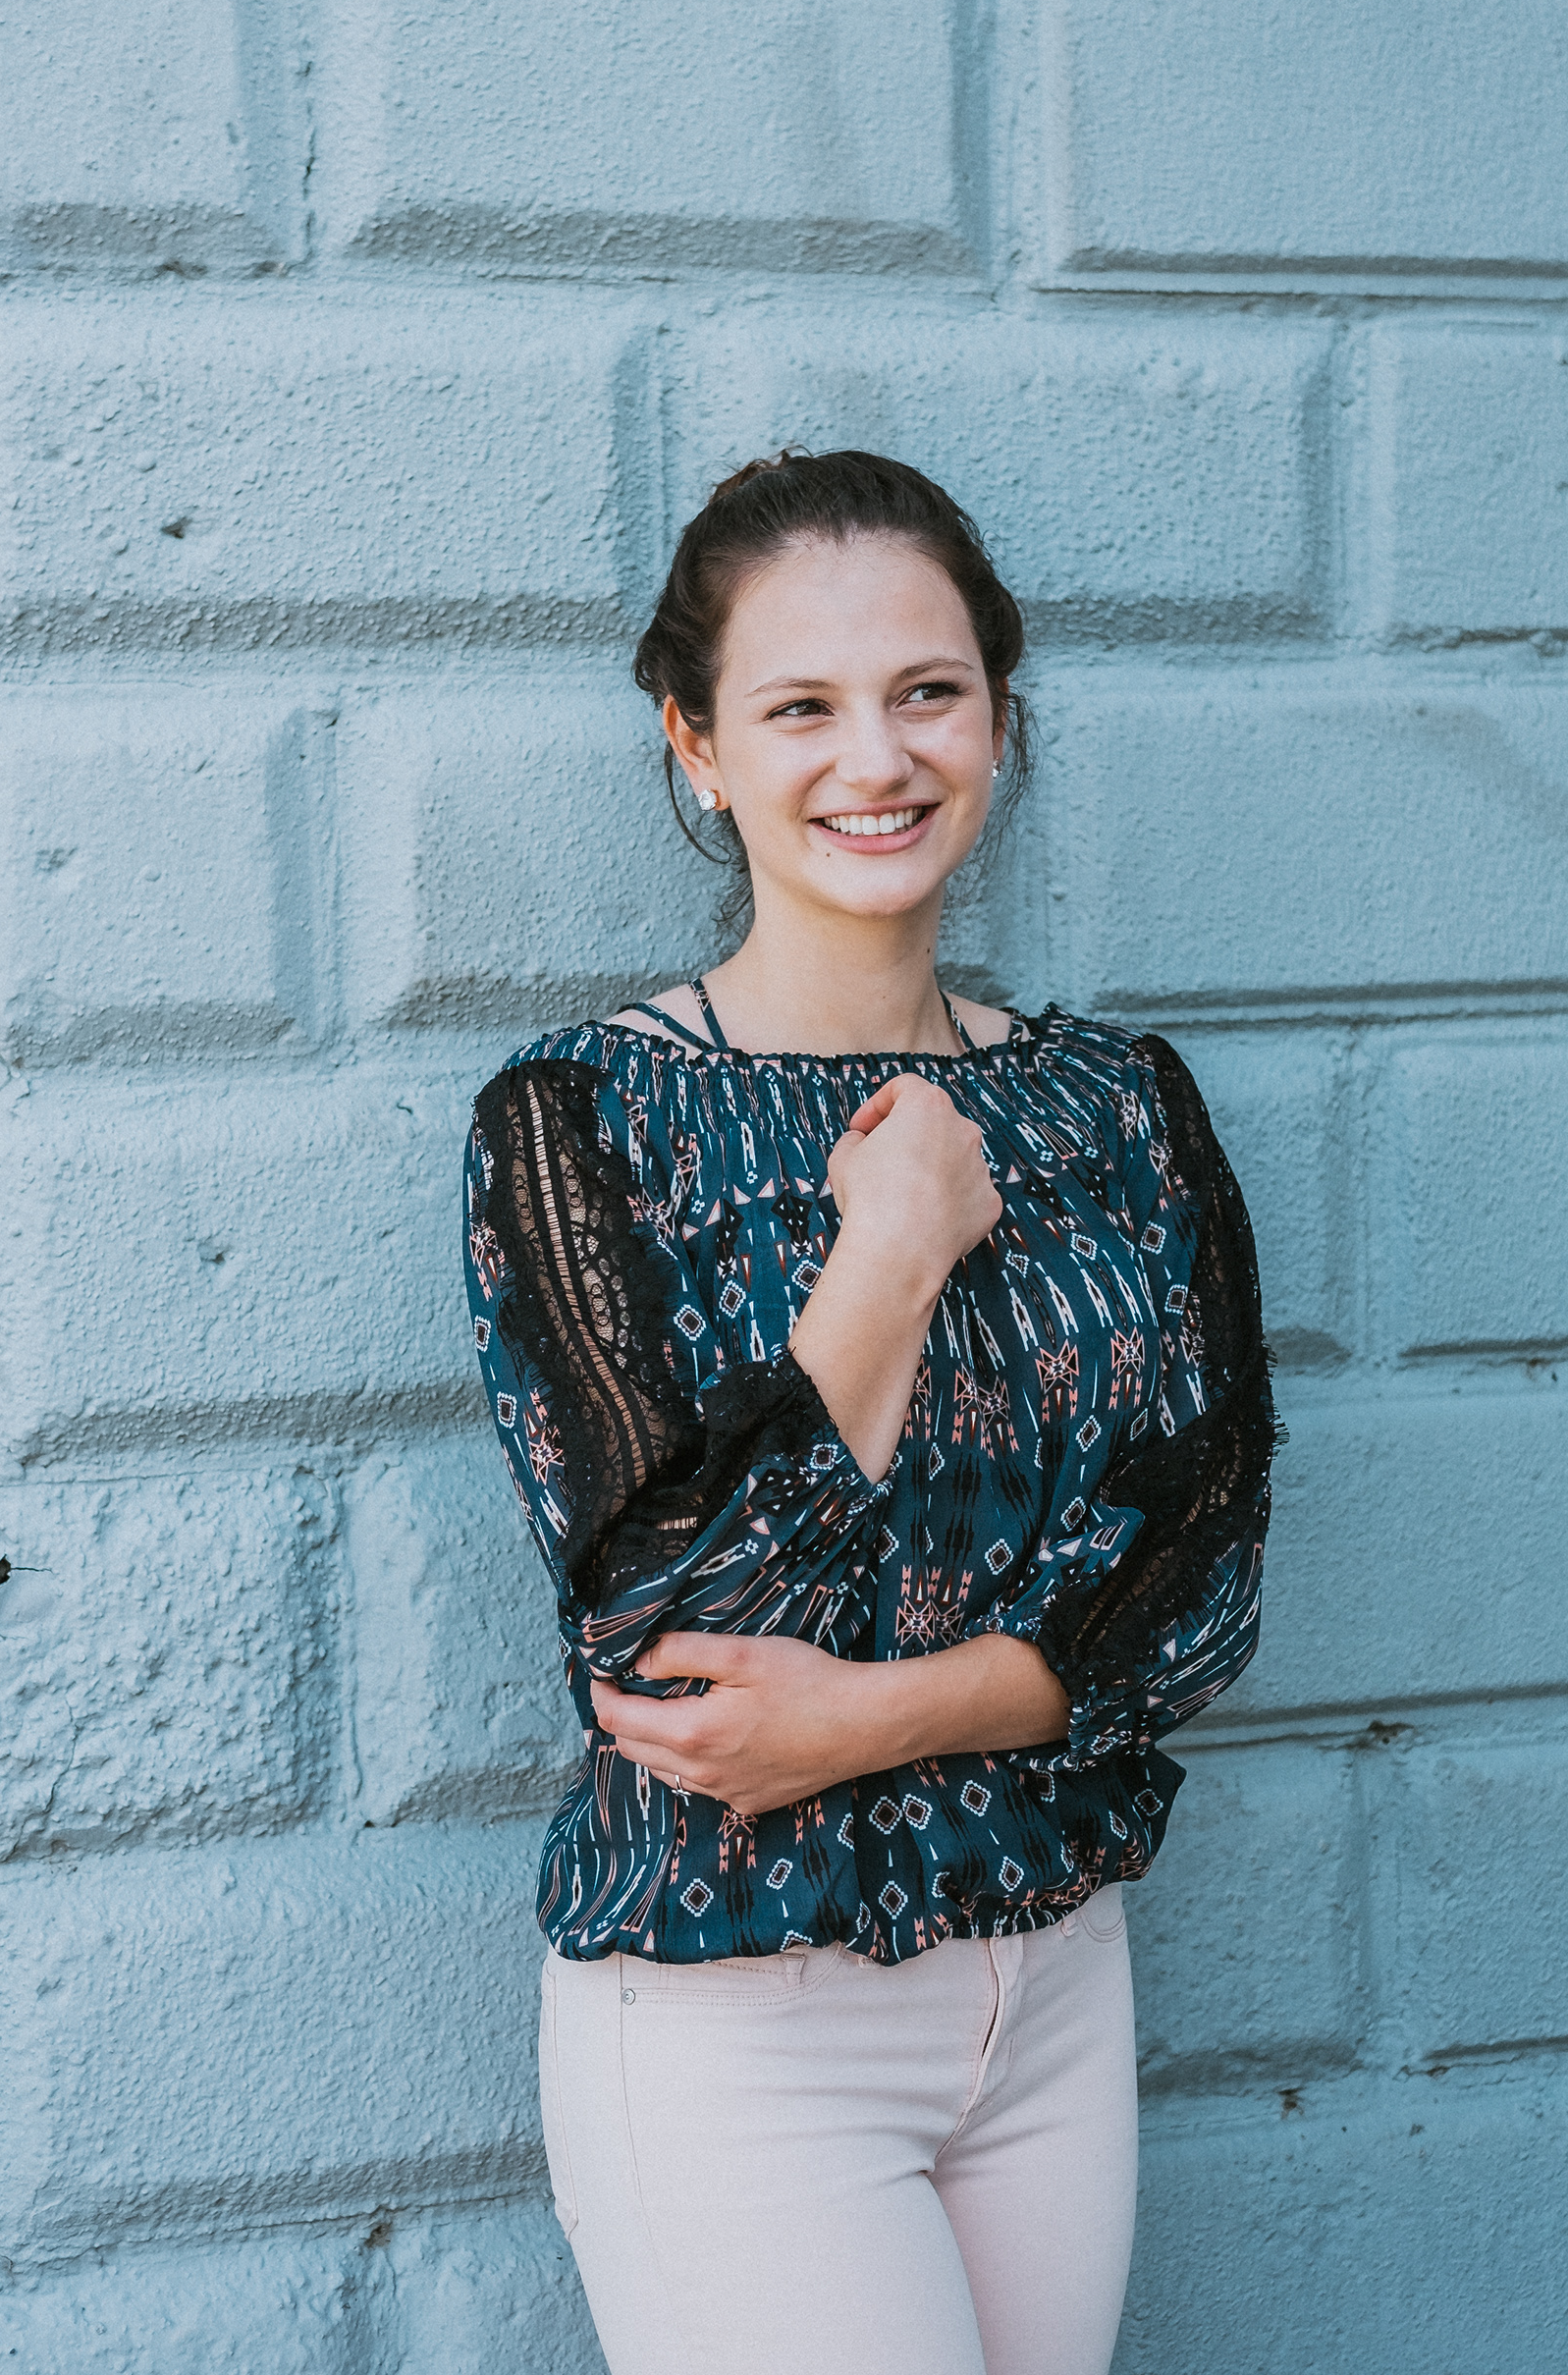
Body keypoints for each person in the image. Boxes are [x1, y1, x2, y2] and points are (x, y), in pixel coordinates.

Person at [461, 450, 1275, 2375]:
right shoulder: (584, 1125)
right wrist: (895, 1247)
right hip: (745, 2016)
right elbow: (676, 1645)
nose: (877, 760)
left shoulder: (1120, 1107)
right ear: (696, 748)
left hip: (1056, 1977)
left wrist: (872, 1716)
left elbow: (1204, 1588)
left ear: (997, 716)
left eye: (927, 692)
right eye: (800, 708)